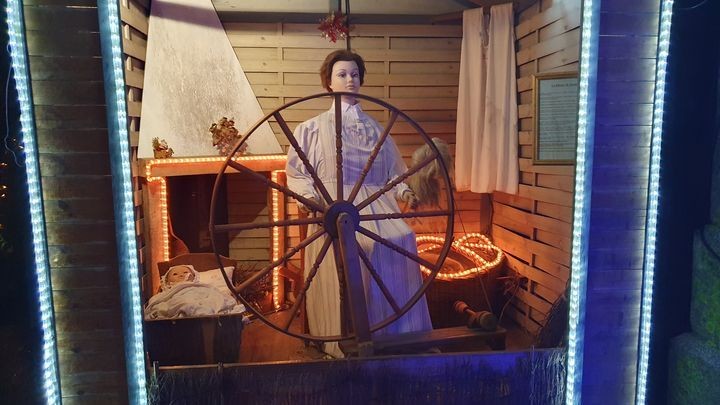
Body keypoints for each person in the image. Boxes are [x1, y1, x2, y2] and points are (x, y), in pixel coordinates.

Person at [285, 50, 432, 358]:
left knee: (403, 238)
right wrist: (310, 199)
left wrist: (404, 192)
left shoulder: (377, 129)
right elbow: (297, 174)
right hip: (334, 211)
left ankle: (400, 335)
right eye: (342, 74)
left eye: (354, 74)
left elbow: (394, 173)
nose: (350, 80)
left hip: (376, 206)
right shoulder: (311, 129)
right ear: (328, 82)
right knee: (360, 246)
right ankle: (353, 335)